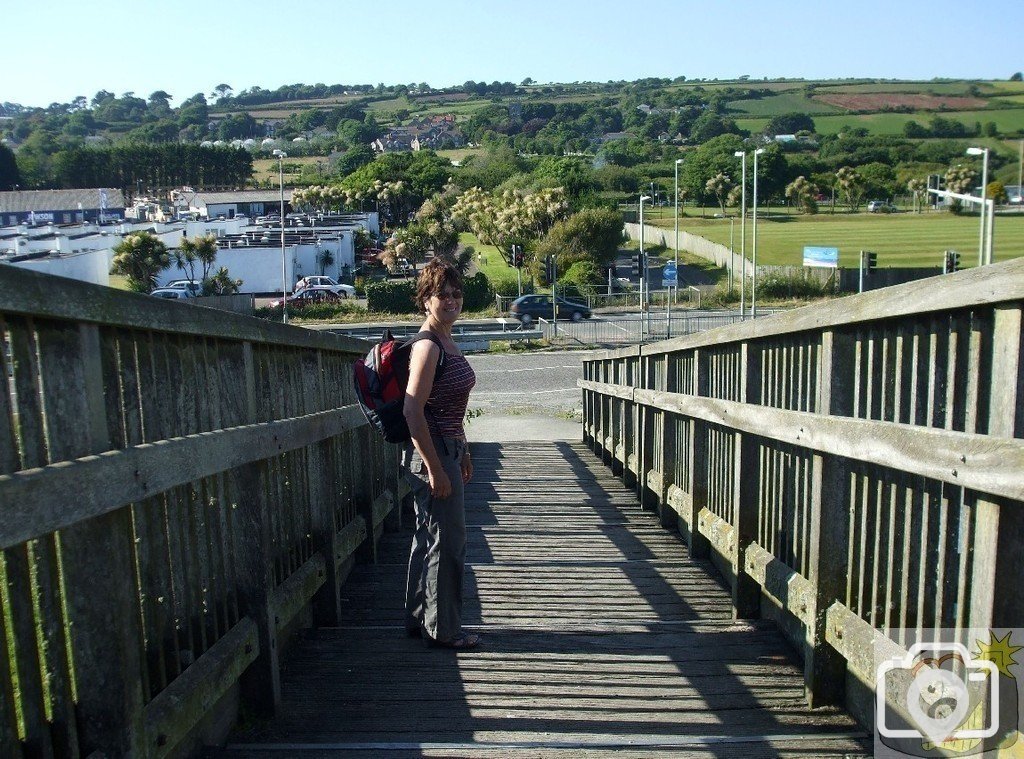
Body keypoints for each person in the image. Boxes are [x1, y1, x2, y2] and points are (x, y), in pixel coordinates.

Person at [402, 258, 480, 649]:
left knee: (429, 536)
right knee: (448, 542)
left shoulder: (446, 339)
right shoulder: (428, 346)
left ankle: (419, 617)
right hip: (432, 454)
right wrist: (435, 467)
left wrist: (462, 449)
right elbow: (413, 410)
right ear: (425, 301)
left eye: (455, 293)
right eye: (441, 294)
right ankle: (444, 629)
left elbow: (446, 409)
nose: (450, 300)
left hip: (447, 448)